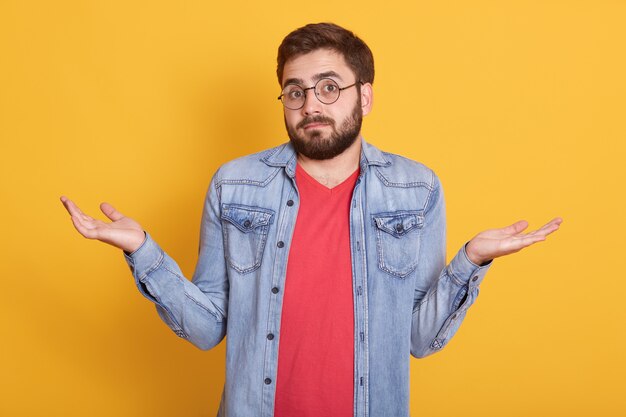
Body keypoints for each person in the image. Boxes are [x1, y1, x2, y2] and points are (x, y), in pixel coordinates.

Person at [60, 23, 561, 417]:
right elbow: (207, 329)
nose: (310, 105)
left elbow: (419, 339)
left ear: (364, 97)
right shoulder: (235, 184)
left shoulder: (416, 188)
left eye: (328, 87)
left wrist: (470, 262)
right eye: (295, 91)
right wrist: (143, 251)